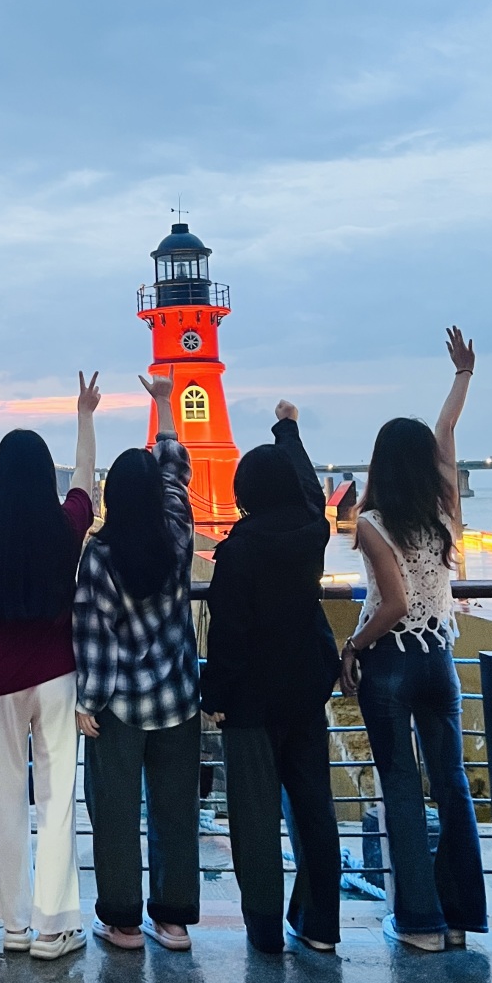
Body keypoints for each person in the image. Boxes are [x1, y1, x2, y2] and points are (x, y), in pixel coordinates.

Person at [339, 327, 487, 953]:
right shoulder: (444, 509)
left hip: (393, 664)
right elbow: (447, 432)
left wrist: (352, 647)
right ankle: (460, 919)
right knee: (452, 785)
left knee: (401, 785)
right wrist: (462, 376)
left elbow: (392, 605)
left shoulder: (372, 522)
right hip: (440, 658)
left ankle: (420, 923)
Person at [0, 371, 100, 961]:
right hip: (56, 674)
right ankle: (53, 927)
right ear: (46, 477)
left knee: (5, 799)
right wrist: (84, 415)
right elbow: (87, 481)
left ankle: (14, 925)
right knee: (57, 798)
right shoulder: (64, 527)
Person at [200, 400, 342, 954]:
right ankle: (320, 924)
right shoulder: (312, 532)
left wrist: (214, 694)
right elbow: (309, 491)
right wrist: (289, 431)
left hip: (251, 702)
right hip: (306, 687)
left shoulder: (238, 553)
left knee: (255, 817)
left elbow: (228, 635)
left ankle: (264, 930)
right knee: (314, 807)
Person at [74, 372, 198, 952]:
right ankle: (172, 921)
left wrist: (87, 702)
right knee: (175, 810)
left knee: (116, 811)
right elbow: (174, 470)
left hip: (120, 707)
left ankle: (123, 921)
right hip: (178, 698)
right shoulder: (179, 530)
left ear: (110, 498)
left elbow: (94, 638)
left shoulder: (99, 555)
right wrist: (165, 404)